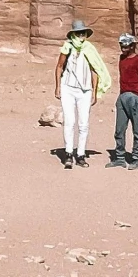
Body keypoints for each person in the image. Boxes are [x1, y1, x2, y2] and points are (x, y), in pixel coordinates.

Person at [53, 16, 111, 168]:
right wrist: (58, 86)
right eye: (78, 33)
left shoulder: (89, 49)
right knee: (69, 122)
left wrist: (95, 92)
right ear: (73, 34)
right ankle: (68, 153)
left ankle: (80, 154)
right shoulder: (67, 47)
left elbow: (95, 70)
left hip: (85, 90)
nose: (81, 36)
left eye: (83, 33)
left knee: (83, 123)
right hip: (68, 88)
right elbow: (59, 66)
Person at [108, 32, 138, 167]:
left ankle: (135, 158)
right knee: (119, 129)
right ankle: (120, 157)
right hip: (122, 96)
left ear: (132, 46)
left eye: (126, 45)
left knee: (136, 130)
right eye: (121, 45)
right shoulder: (122, 59)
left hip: (135, 97)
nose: (123, 47)